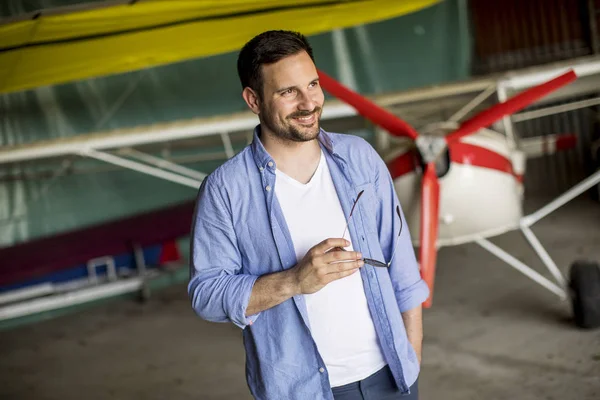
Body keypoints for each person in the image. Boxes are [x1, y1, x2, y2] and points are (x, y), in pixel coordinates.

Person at [188, 30, 429, 400]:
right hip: (301, 392)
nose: (309, 102)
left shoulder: (359, 157)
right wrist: (294, 282)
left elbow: (400, 265)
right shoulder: (226, 190)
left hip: (392, 377)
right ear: (253, 100)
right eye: (288, 92)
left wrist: (411, 355)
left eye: (313, 84)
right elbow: (207, 293)